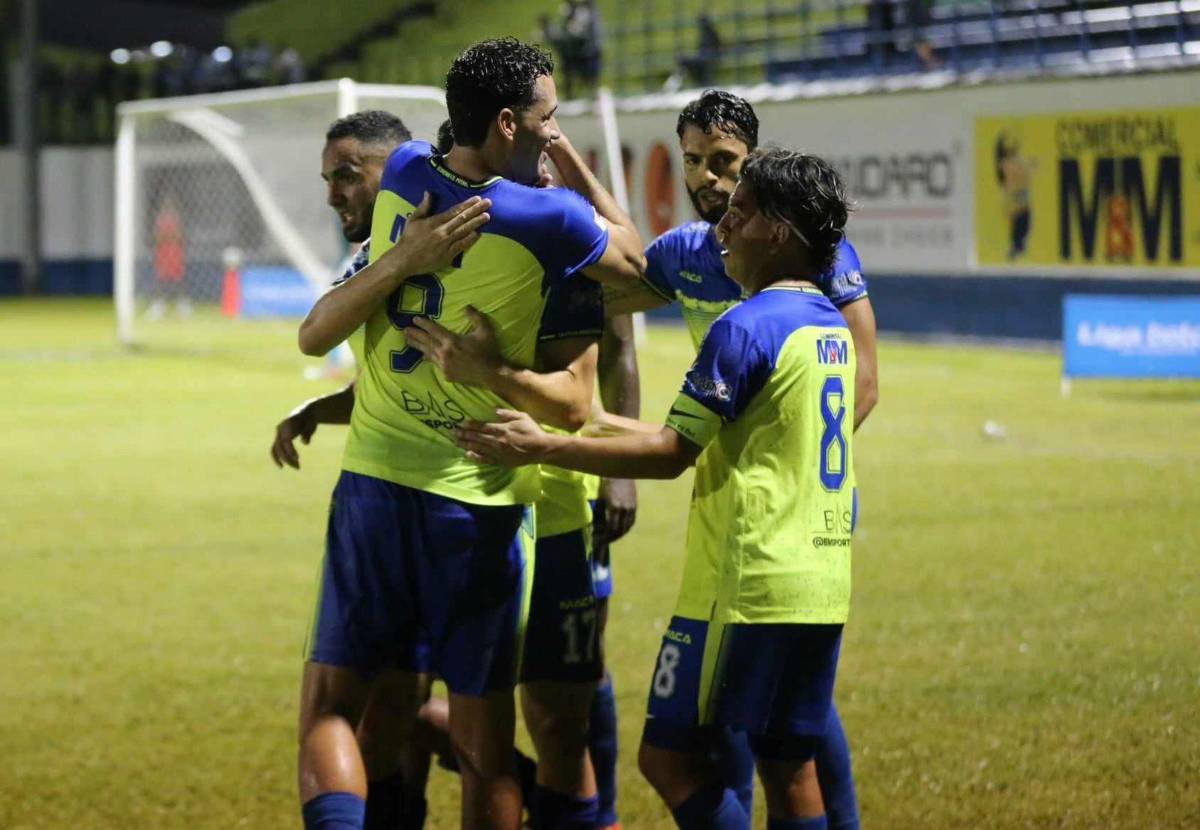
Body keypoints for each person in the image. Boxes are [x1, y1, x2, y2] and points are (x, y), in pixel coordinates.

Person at [293, 37, 644, 830]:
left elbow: (318, 333)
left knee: (333, 710)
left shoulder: (409, 171)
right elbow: (642, 271)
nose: (554, 134)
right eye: (548, 122)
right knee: (487, 746)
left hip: (376, 487)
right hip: (479, 504)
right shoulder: (550, 222)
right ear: (513, 124)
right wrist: (578, 170)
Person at [457, 147, 856, 830]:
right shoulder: (828, 328)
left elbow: (673, 452)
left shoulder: (745, 326)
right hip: (820, 580)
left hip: (745, 586)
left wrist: (543, 445)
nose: (723, 226)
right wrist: (588, 419)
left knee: (667, 758)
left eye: (741, 212)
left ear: (780, 233)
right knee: (790, 766)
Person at [600, 89, 876, 828]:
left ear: (753, 159)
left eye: (723, 162)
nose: (706, 179)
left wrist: (781, 460)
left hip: (779, 520)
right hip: (739, 511)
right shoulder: (690, 251)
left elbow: (864, 380)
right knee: (780, 725)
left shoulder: (815, 252)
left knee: (780, 729)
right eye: (692, 161)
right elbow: (608, 292)